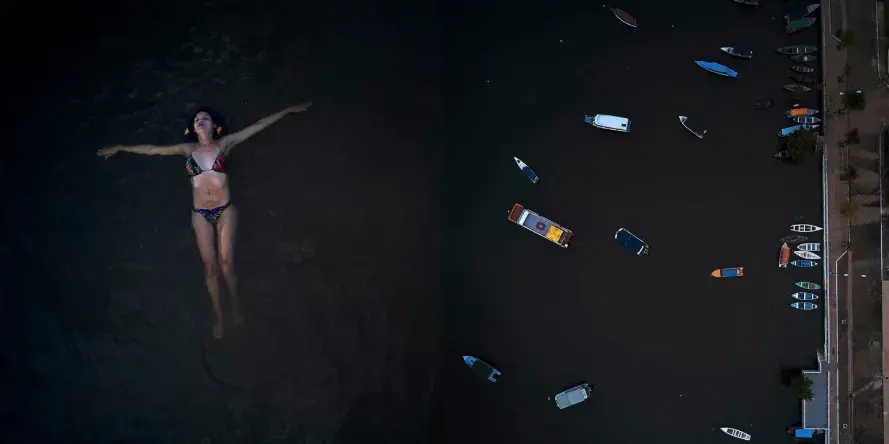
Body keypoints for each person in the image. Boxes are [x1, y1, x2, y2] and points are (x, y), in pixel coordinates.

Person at [97, 102, 312, 338]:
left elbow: (258, 126)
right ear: (194, 128)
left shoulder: (224, 144)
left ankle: (236, 304)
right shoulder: (186, 150)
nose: (200, 120)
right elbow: (152, 149)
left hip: (225, 210)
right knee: (210, 268)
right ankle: (219, 316)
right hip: (200, 214)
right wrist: (121, 147)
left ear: (213, 126)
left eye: (205, 118)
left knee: (226, 262)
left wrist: (287, 111)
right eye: (197, 118)